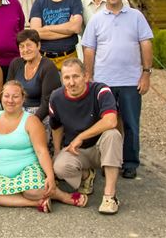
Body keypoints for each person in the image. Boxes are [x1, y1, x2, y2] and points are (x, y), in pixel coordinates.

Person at [82, 0, 153, 179]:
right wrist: (89, 75)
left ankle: (130, 163)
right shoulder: (96, 19)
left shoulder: (136, 16)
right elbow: (89, 49)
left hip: (131, 81)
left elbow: (146, 44)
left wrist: (146, 74)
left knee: (131, 124)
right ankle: (108, 161)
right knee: (106, 124)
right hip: (104, 82)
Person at [0, 81, 88, 212]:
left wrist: (50, 176)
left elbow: (41, 151)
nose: (10, 100)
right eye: (6, 96)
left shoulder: (31, 121)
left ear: (23, 99)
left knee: (33, 191)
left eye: (15, 96)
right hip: (3, 175)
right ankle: (37, 202)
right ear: (2, 97)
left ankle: (63, 196)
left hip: (28, 169)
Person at [50, 58, 123, 215]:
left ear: (86, 76)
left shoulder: (101, 90)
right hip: (77, 151)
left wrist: (81, 136)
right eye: (66, 78)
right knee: (59, 166)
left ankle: (110, 196)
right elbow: (56, 127)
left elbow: (111, 120)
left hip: (101, 148)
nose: (71, 82)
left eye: (76, 76)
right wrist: (56, 151)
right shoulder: (56, 97)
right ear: (62, 79)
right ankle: (86, 175)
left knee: (113, 135)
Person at [29, 0, 83, 70]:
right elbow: (36, 33)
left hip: (69, 57)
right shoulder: (39, 3)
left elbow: (76, 28)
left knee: (71, 86)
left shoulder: (74, 0)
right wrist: (68, 30)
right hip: (44, 59)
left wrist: (48, 28)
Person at [7, 29, 61, 122]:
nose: (25, 50)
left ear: (38, 46)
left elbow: (47, 102)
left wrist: (31, 122)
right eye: (21, 46)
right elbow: (7, 91)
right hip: (16, 111)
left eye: (29, 45)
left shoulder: (48, 67)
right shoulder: (16, 63)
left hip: (40, 114)